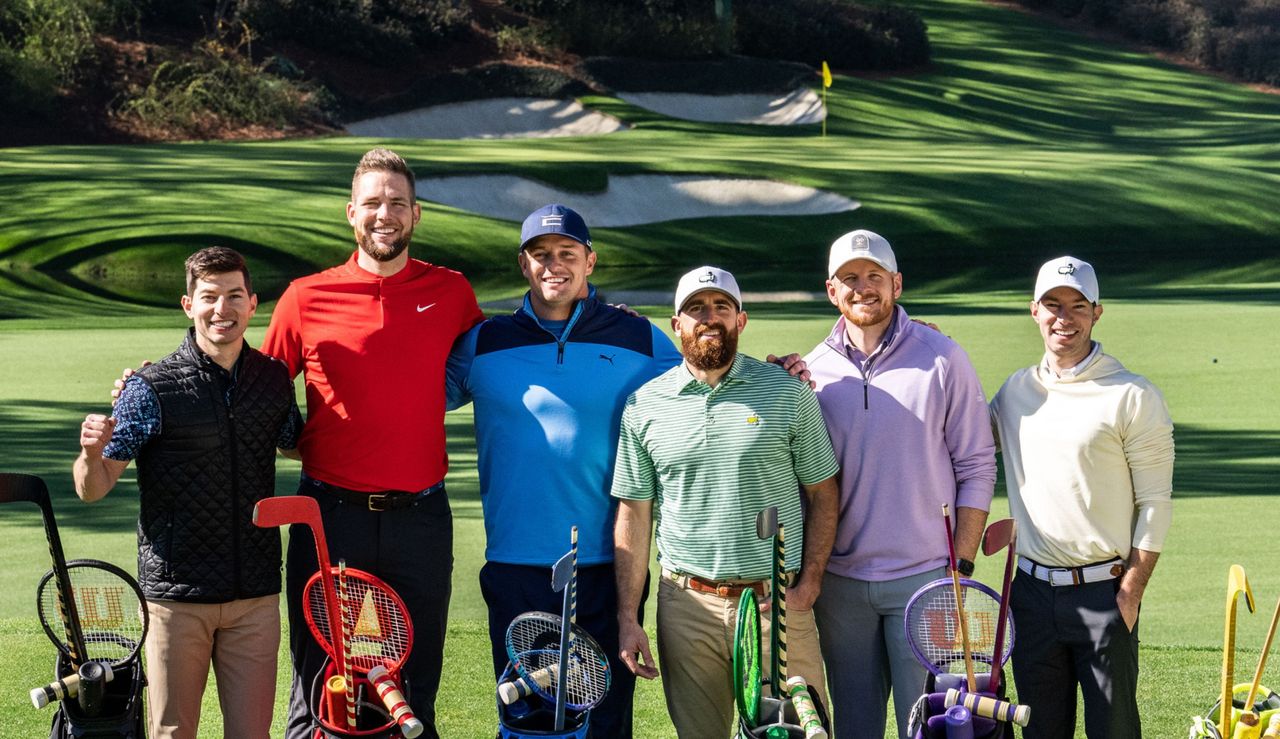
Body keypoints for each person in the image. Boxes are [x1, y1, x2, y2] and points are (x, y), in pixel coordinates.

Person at [262, 148, 484, 739]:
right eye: (372, 203)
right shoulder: (305, 297)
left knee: (413, 696)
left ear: (416, 215)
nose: (384, 214)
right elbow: (253, 389)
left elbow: (510, 357)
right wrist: (154, 382)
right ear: (350, 213)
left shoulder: (453, 293)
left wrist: (597, 315)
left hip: (423, 519)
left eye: (396, 203)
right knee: (322, 691)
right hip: (330, 518)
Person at [444, 203, 682, 736]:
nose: (554, 264)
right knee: (526, 721)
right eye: (540, 254)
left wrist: (783, 370)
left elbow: (705, 380)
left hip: (606, 567)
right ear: (523, 265)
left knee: (602, 723)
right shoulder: (484, 342)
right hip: (515, 567)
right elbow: (414, 400)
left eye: (567, 253)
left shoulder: (638, 339)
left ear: (590, 261)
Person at [73, 246, 302, 739]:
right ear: (187, 304)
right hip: (176, 601)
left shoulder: (274, 380)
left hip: (256, 596)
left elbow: (297, 446)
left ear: (253, 302)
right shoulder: (150, 388)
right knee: (172, 733)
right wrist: (91, 454)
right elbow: (94, 488)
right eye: (210, 297)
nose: (223, 309)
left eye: (234, 296)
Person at [612, 265, 840, 738]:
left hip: (776, 602)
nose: (709, 317)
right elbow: (633, 515)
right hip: (688, 605)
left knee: (799, 732)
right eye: (696, 308)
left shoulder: (788, 392)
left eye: (721, 307)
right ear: (677, 324)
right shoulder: (644, 406)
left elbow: (823, 492)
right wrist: (627, 617)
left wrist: (810, 584)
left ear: (741, 320)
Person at [803, 229, 997, 738]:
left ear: (897, 284)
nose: (862, 288)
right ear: (831, 290)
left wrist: (963, 565)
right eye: (849, 278)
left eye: (874, 277)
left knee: (931, 726)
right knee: (855, 727)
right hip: (841, 584)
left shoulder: (942, 356)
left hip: (927, 579)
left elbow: (977, 464)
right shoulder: (811, 372)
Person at [990, 256, 1173, 738]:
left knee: (1113, 730)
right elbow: (962, 445)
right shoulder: (1014, 392)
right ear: (1034, 311)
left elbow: (1155, 501)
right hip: (1029, 596)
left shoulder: (1132, 394)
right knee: (1040, 729)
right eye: (1053, 305)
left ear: (1097, 312)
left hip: (1103, 592)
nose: (1063, 318)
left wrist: (1130, 591)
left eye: (1077, 306)